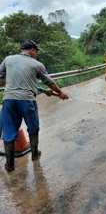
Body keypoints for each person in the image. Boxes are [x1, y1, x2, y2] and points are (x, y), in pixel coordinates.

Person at [0, 40, 69, 172]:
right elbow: (49, 82)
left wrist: (11, 83)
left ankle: (10, 164)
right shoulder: (37, 64)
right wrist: (60, 93)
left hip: (8, 100)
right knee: (33, 127)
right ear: (32, 50)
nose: (36, 54)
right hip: (26, 100)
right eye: (36, 51)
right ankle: (35, 154)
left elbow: (1, 77)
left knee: (8, 131)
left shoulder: (8, 59)